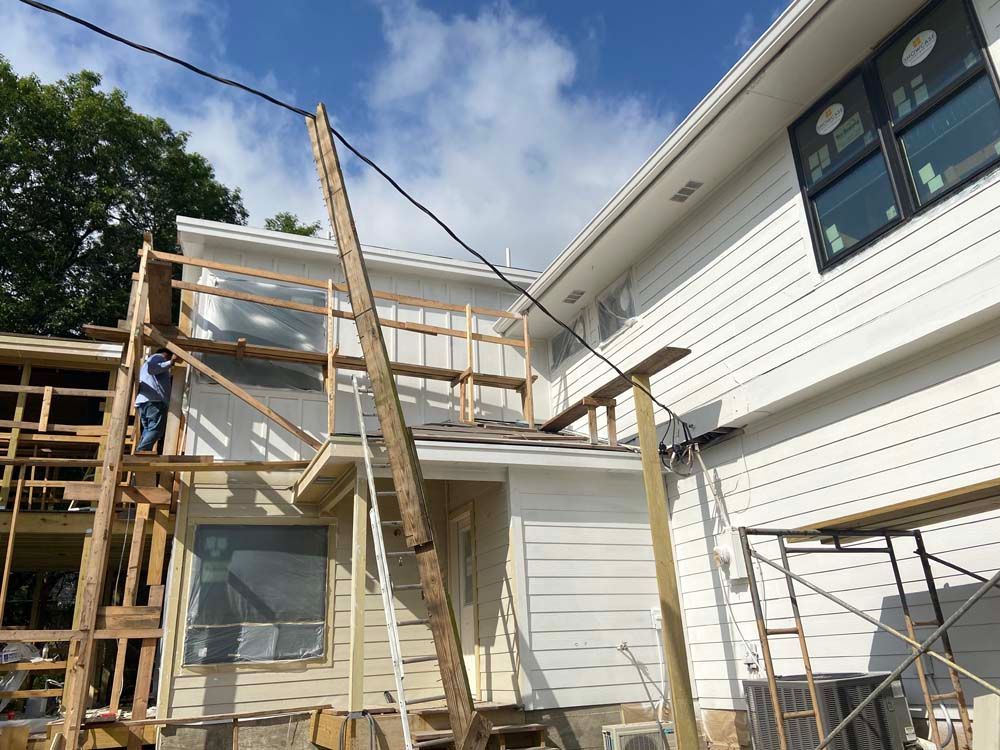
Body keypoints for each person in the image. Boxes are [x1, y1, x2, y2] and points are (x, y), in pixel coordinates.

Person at [134, 347, 176, 452]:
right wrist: (171, 362)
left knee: (149, 429)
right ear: (166, 355)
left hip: (144, 402)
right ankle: (141, 451)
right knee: (156, 430)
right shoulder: (158, 357)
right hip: (155, 401)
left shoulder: (146, 363)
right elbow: (152, 369)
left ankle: (142, 453)